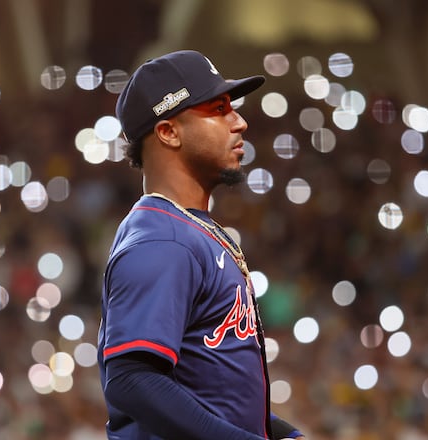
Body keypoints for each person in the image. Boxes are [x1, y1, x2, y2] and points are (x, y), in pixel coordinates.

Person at [97, 50, 305, 439]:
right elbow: (131, 378)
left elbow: (213, 395)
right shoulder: (163, 239)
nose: (239, 122)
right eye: (218, 108)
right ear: (169, 132)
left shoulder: (189, 229)